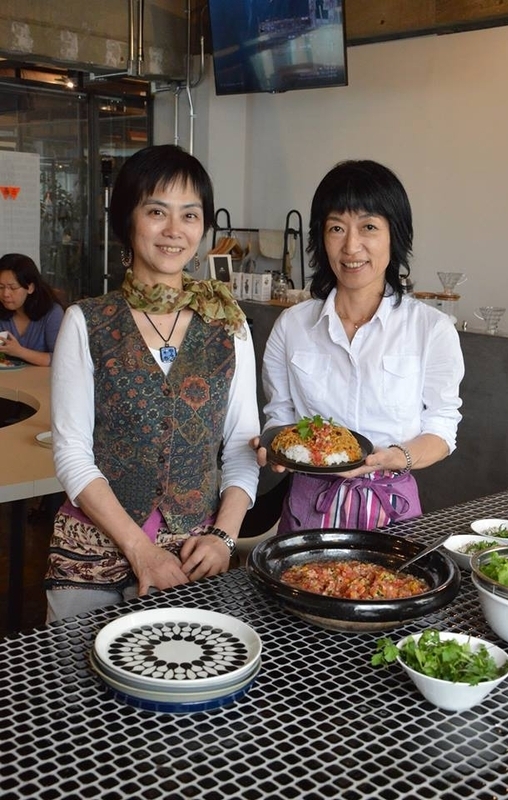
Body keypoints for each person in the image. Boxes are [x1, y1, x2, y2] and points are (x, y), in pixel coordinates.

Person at [45, 144, 260, 621]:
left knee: (185, 687)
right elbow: (71, 453)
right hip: (91, 553)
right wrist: (140, 551)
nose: (174, 230)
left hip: (194, 556)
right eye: (156, 211)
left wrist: (225, 538)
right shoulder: (86, 322)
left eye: (189, 214)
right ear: (128, 219)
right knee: (73, 690)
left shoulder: (227, 323)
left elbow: (243, 445)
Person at [258, 159, 464, 532]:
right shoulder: (292, 326)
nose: (351, 246)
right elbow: (281, 414)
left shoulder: (431, 329)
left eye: (369, 227)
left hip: (392, 512)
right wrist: (279, 449)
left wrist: (393, 458)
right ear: (321, 237)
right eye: (337, 228)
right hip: (309, 508)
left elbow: (442, 428)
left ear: (394, 236)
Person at [0, 253, 64, 366]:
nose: (5, 294)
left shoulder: (52, 313)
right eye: (0, 287)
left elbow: (62, 359)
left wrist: (19, 352)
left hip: (41, 381)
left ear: (30, 287)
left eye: (13, 288)